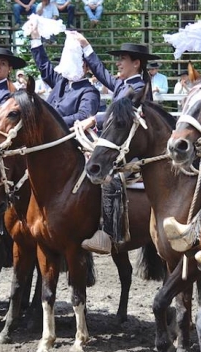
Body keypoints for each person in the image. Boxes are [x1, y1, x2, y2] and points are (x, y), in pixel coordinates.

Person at [73, 35, 158, 254]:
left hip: (131, 149)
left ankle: (109, 232)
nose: (118, 63)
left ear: (136, 63)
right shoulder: (123, 84)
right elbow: (100, 73)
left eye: (122, 59)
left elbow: (123, 117)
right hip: (116, 143)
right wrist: (86, 47)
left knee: (107, 174)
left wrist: (94, 119)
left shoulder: (140, 88)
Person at [30, 25, 99, 127]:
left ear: (87, 67)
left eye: (76, 61)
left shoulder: (89, 91)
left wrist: (52, 122)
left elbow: (83, 116)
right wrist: (35, 39)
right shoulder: (61, 81)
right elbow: (44, 66)